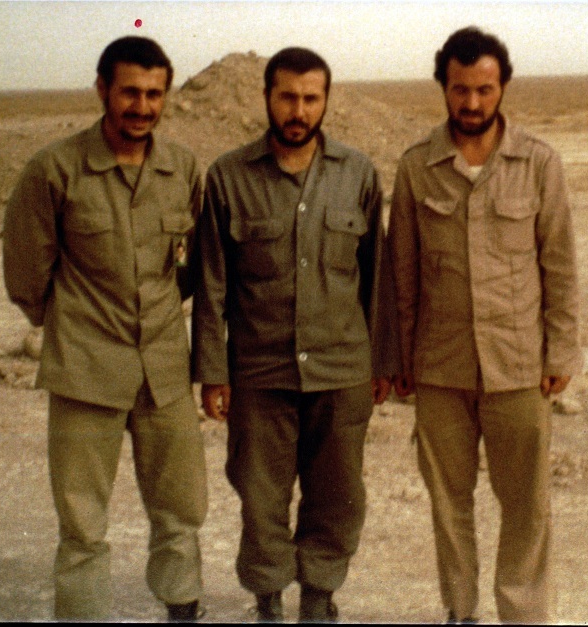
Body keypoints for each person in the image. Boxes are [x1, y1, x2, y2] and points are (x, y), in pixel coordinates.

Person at [2, 36, 207, 622]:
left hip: (164, 369)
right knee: (82, 523)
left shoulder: (182, 169)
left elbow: (194, 264)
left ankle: (181, 610)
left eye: (154, 94)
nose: (142, 107)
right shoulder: (55, 170)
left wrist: (162, 311)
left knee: (181, 511)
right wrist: (72, 325)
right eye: (129, 92)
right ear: (102, 90)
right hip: (85, 371)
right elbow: (26, 272)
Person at [191, 47, 397, 623]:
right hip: (260, 371)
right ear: (266, 98)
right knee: (261, 498)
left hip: (341, 370)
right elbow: (211, 284)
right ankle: (268, 600)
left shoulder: (357, 174)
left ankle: (319, 596)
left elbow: (376, 277)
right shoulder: (228, 177)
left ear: (326, 101)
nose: (298, 110)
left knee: (337, 495)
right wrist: (212, 372)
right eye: (287, 97)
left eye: (310, 98)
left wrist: (381, 360)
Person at [388, 27, 582, 623]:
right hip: (440, 367)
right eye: (459, 89)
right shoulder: (416, 167)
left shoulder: (539, 163)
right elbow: (401, 274)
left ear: (503, 87)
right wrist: (398, 360)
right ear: (443, 87)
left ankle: (522, 615)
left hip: (519, 365)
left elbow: (560, 264)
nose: (471, 102)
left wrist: (561, 352)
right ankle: (461, 611)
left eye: (484, 89)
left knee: (526, 506)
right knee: (449, 503)